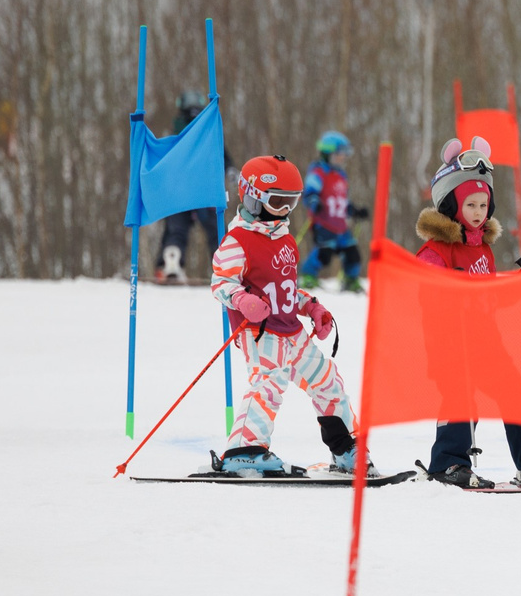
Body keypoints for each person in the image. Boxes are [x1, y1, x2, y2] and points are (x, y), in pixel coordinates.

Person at [413, 139, 521, 489]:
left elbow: (490, 296)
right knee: (461, 397)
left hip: (486, 341)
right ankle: (448, 464)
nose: (479, 211)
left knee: (517, 394)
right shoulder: (435, 250)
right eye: (470, 204)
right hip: (450, 343)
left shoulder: (482, 248)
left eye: (484, 204)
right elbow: (426, 294)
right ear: (451, 203)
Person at [209, 156, 357, 475]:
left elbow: (287, 288)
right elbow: (221, 282)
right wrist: (244, 300)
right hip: (260, 331)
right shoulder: (238, 241)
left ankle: (347, 449)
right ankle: (243, 451)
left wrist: (312, 307)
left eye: (292, 201)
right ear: (251, 196)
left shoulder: (286, 238)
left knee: (326, 379)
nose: (285, 210)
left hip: (292, 331)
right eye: (278, 201)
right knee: (269, 382)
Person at [154, 91, 223, 283]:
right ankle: (226, 267)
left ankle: (170, 263)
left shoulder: (175, 130)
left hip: (178, 190)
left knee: (176, 229)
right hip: (203, 189)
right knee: (215, 229)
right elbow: (220, 152)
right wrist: (229, 168)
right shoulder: (206, 129)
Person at [299, 130, 369, 293]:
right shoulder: (318, 172)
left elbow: (343, 202)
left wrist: (355, 211)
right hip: (323, 223)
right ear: (327, 153)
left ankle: (350, 280)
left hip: (340, 225)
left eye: (345, 154)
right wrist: (314, 202)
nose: (343, 157)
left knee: (352, 253)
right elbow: (309, 193)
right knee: (325, 253)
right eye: (339, 154)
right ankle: (308, 276)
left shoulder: (341, 175)